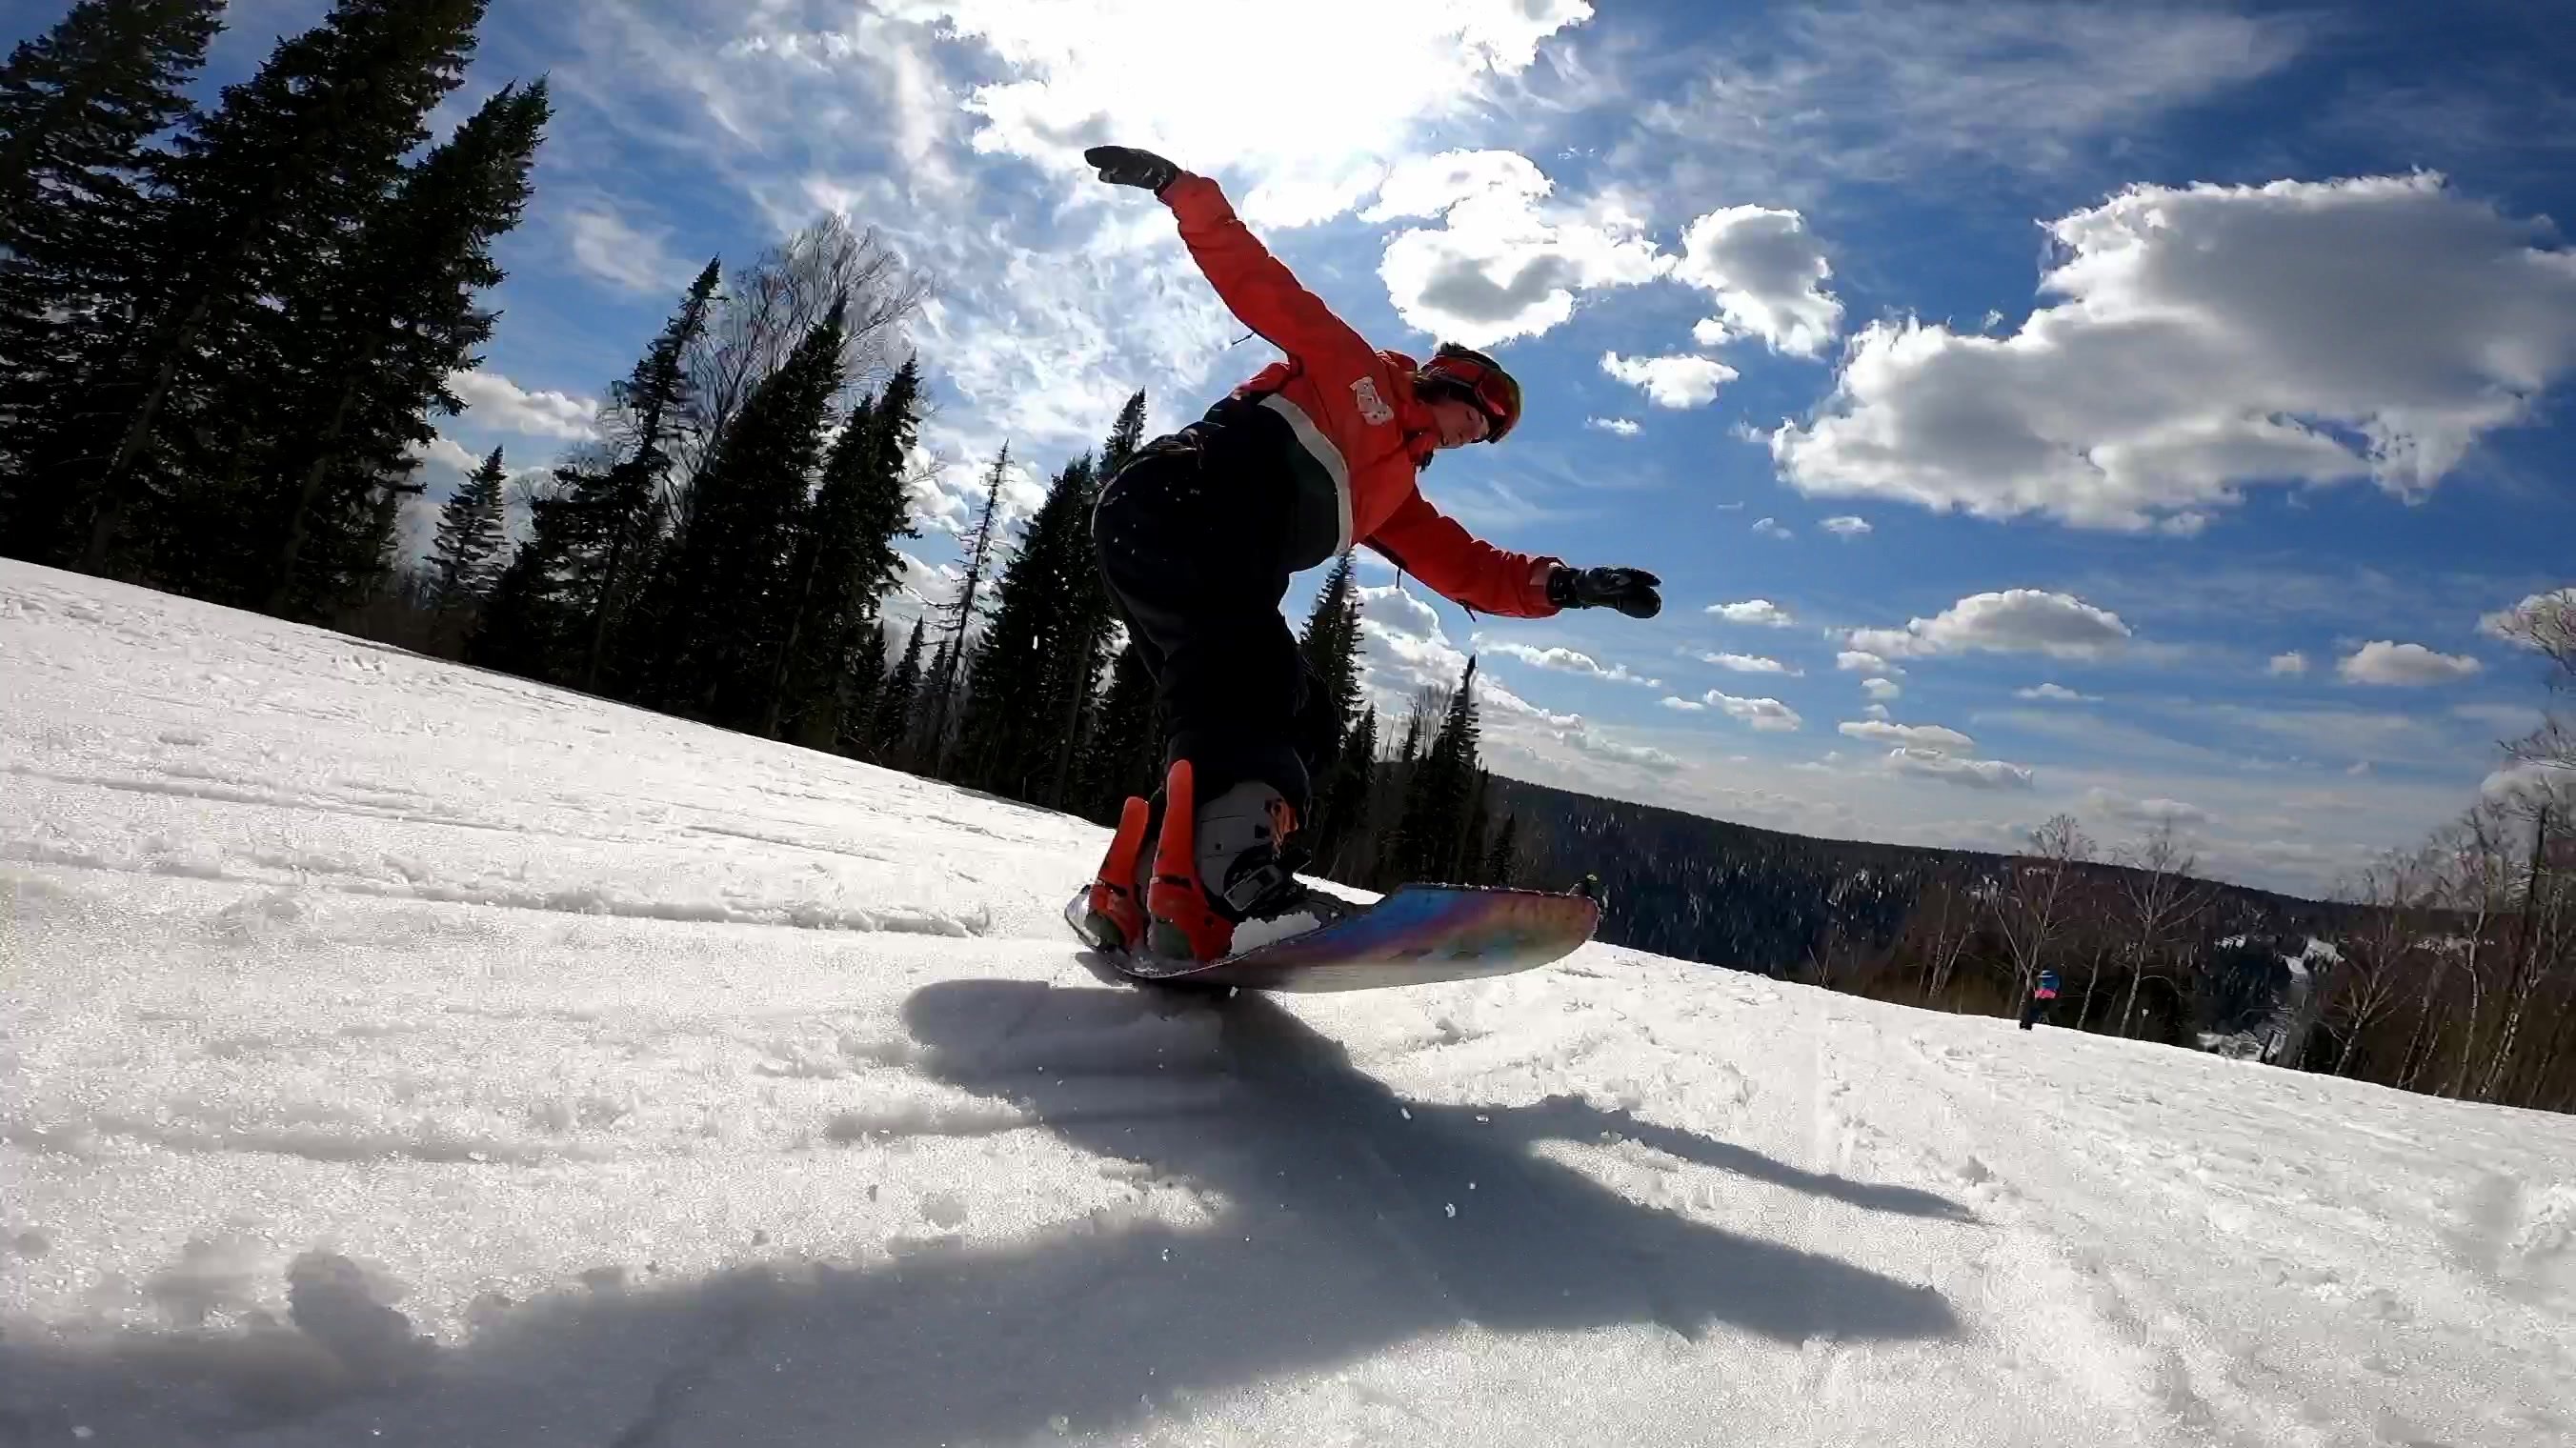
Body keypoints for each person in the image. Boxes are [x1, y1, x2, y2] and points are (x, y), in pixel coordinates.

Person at [1070, 144, 1662, 963]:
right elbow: (1260, 283)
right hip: (1177, 507)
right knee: (1257, 686)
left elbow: (1470, 567)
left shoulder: (1393, 496)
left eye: (1486, 436)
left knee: (1294, 713)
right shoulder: (1357, 374)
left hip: (1197, 554)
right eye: (1478, 415)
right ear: (1449, 382)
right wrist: (1184, 191)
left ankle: (1138, 893)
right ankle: (1228, 892)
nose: (1473, 435)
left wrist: (1570, 584)